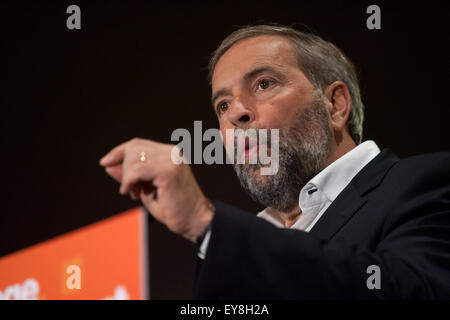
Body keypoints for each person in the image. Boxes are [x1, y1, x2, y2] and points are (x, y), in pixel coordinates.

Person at [99, 25, 450, 299]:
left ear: (335, 105)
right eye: (222, 105)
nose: (236, 112)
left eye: (264, 83)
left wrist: (205, 222)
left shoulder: (427, 181)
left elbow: (408, 290)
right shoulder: (242, 245)